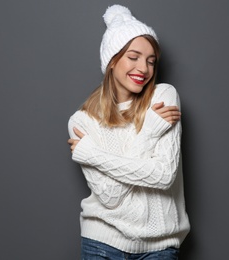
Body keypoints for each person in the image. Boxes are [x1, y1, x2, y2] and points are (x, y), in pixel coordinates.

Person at [68, 4, 190, 259]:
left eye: (151, 61)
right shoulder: (82, 121)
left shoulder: (163, 97)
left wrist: (92, 155)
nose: (144, 69)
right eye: (133, 57)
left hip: (159, 246)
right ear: (112, 61)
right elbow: (109, 197)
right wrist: (149, 135)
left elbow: (164, 175)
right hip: (100, 243)